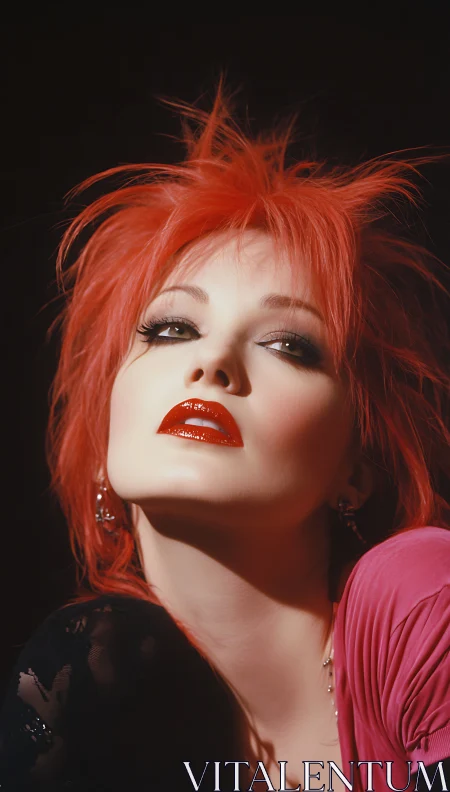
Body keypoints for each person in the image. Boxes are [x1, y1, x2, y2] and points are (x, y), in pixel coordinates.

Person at [1, 85, 450, 792]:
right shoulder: (84, 670)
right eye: (170, 329)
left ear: (356, 469)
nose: (211, 362)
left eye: (289, 344)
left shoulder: (418, 600)